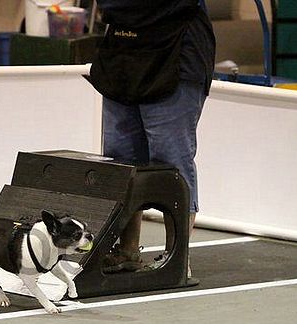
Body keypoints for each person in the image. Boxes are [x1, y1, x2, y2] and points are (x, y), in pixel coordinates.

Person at [89, 0, 216, 277]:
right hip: (123, 57)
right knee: (119, 158)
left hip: (176, 57)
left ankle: (177, 258)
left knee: (170, 160)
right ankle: (126, 251)